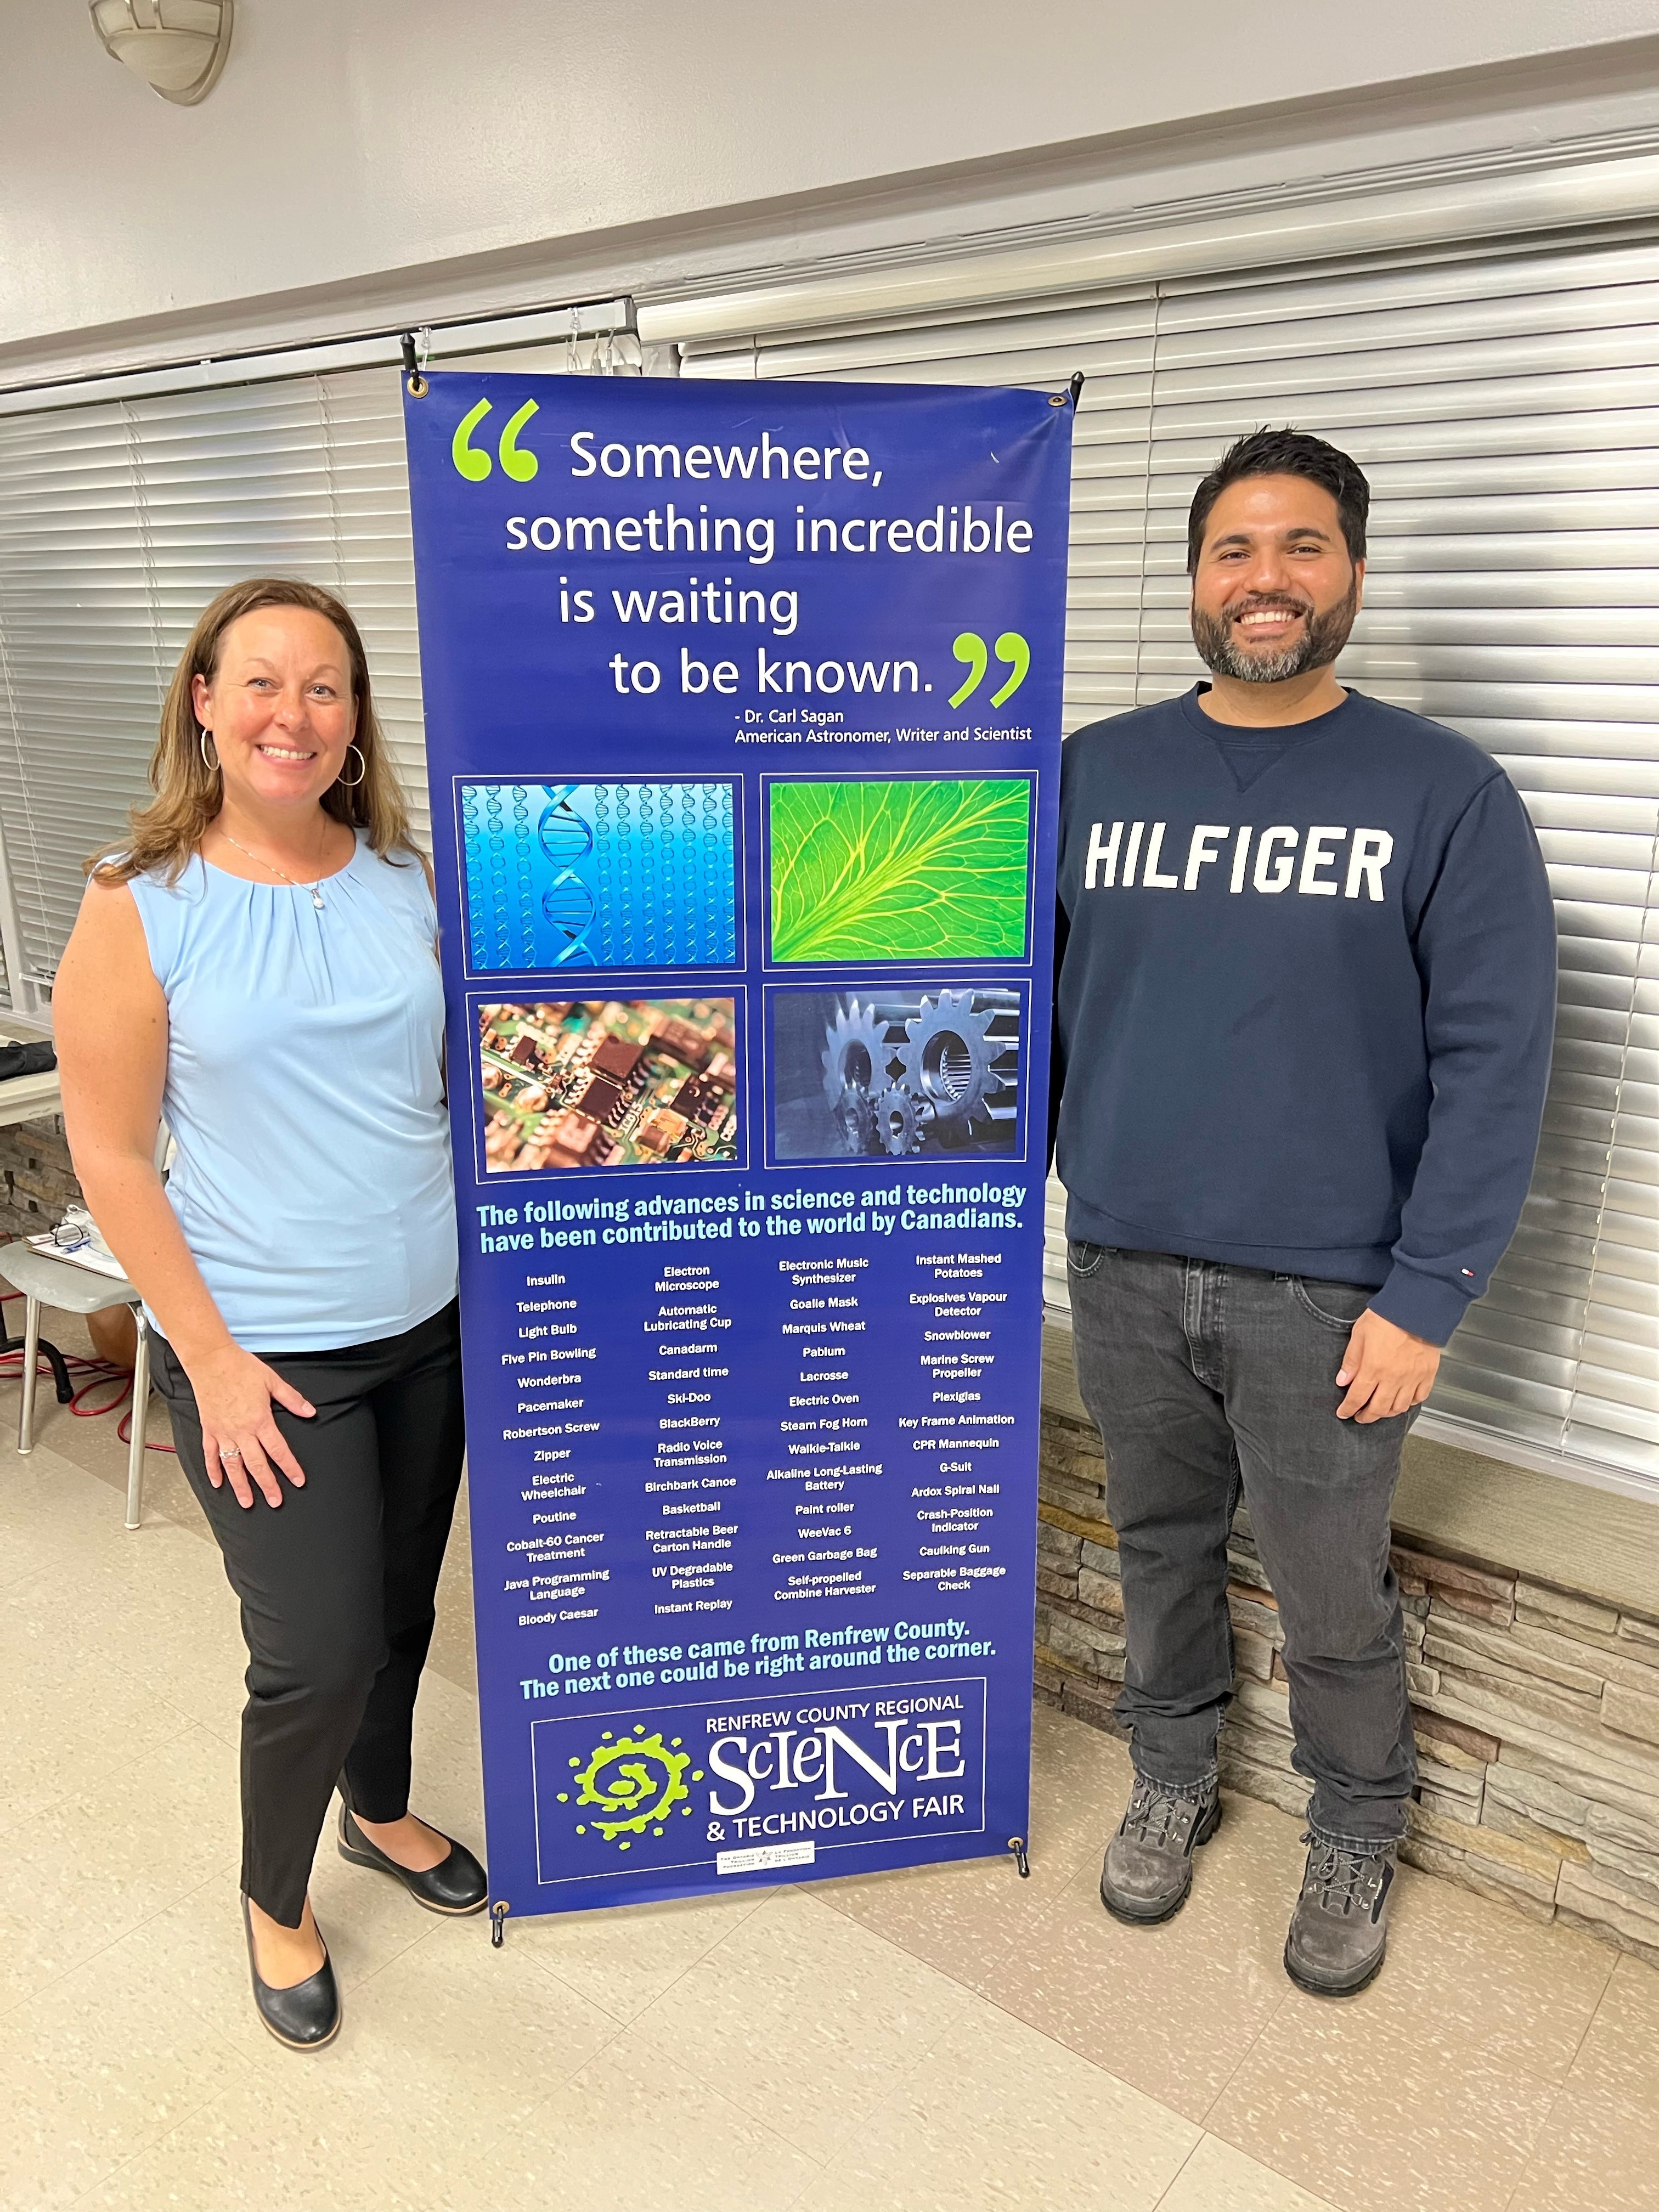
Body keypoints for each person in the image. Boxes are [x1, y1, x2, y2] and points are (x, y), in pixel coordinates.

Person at [1051, 428, 1556, 1997]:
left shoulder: (1444, 794)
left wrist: (1428, 1298)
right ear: (1196, 577)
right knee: (1158, 1549)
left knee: (1334, 1586)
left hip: (1329, 1297)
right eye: (1235, 550)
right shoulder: (1091, 772)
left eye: (1303, 547)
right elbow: (1016, 1012)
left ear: (1348, 572)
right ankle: (1172, 1775)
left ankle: (1357, 1822)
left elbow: (1497, 1060)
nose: (1266, 580)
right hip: (1123, 1259)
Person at [56, 578, 485, 2052]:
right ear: (203, 702)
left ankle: (377, 1811)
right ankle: (274, 1896)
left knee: (404, 1614)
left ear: (355, 719)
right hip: (265, 1354)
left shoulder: (406, 881)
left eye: (324, 687)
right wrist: (212, 1361)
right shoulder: (138, 900)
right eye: (261, 682)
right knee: (314, 1648)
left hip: (431, 1328)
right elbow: (109, 1155)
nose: (291, 713)